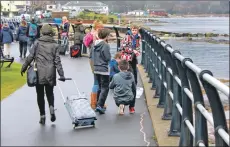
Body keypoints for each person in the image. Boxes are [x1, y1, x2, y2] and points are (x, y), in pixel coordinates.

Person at [21, 24, 65, 125]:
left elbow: (30, 57)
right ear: (51, 33)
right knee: (50, 93)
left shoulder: (37, 43)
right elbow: (57, 61)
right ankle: (52, 107)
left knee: (40, 95)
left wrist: (23, 68)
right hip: (50, 72)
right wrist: (61, 74)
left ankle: (42, 116)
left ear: (42, 32)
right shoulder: (55, 45)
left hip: (38, 72)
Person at [92, 28, 111, 114]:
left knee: (99, 86)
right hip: (103, 68)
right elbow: (107, 57)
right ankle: (100, 105)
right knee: (105, 87)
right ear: (106, 36)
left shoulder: (94, 44)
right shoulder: (105, 45)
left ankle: (97, 104)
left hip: (96, 68)